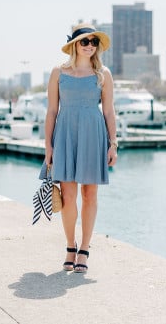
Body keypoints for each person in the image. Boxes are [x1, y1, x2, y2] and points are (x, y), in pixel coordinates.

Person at [43, 23, 118, 273]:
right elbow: (52, 111)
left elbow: (108, 111)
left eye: (93, 42)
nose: (89, 46)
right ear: (74, 44)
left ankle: (85, 249)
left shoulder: (103, 74)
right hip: (65, 135)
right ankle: (70, 246)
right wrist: (48, 146)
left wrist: (113, 144)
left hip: (93, 135)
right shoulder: (58, 72)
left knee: (89, 195)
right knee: (68, 196)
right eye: (85, 41)